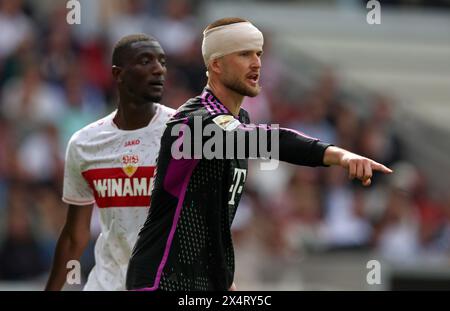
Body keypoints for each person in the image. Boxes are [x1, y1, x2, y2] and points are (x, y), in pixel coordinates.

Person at [126, 18, 392, 291]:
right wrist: (339, 155)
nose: (257, 63)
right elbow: (269, 139)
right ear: (216, 64)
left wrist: (222, 279)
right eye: (244, 54)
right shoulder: (194, 123)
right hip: (161, 281)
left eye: (258, 54)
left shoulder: (237, 120)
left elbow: (211, 218)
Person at [45, 34, 175, 291]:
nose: (159, 69)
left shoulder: (182, 134)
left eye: (162, 61)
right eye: (146, 61)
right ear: (118, 74)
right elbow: (74, 236)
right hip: (106, 282)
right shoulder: (85, 144)